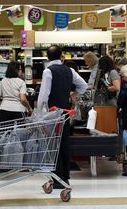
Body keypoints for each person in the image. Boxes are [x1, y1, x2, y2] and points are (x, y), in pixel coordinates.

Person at [38, 45, 88, 189]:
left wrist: (40, 113)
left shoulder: (48, 71)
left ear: (48, 57)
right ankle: (65, 176)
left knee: (54, 144)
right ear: (61, 56)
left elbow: (43, 95)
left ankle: (57, 177)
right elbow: (83, 86)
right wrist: (74, 95)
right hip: (65, 113)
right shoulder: (70, 70)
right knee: (64, 142)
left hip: (52, 113)